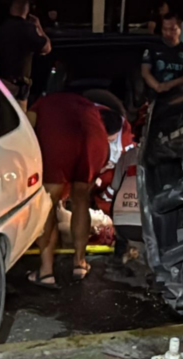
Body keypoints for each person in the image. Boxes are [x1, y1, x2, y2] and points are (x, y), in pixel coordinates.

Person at [27, 90, 126, 285]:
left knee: (48, 205)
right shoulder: (88, 106)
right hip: (94, 141)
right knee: (81, 199)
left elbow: (27, 131)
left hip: (59, 141)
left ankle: (46, 272)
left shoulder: (41, 103)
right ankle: (79, 263)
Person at [0, 0, 50, 98]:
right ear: (27, 10)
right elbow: (47, 48)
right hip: (18, 88)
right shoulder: (27, 30)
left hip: (1, 84)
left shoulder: (2, 28)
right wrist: (38, 26)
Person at [141, 14, 183, 96]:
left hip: (177, 96)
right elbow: (145, 72)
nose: (168, 33)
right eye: (164, 29)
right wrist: (158, 87)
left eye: (172, 29)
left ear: (180, 28)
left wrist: (170, 84)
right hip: (154, 95)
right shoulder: (152, 47)